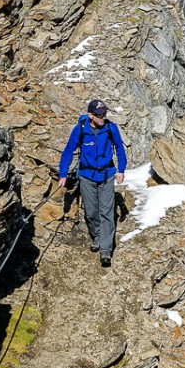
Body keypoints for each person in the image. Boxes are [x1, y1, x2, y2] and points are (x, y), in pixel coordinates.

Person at [57, 98, 127, 267]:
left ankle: (105, 249)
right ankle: (96, 235)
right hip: (87, 176)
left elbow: (119, 148)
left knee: (107, 212)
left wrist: (121, 170)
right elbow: (68, 152)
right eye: (99, 115)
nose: (103, 117)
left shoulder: (111, 128)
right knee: (91, 212)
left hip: (107, 174)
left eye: (104, 113)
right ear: (90, 115)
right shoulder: (80, 129)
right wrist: (63, 174)